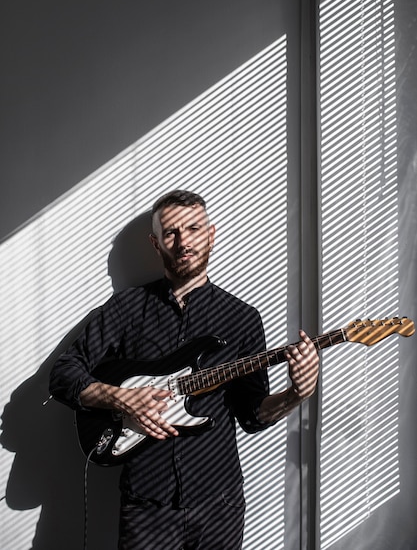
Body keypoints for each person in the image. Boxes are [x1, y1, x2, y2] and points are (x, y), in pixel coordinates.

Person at [49, 190, 319, 549]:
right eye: (171, 232)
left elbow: (252, 416)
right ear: (156, 242)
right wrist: (120, 399)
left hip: (218, 504)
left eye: (193, 228)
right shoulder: (127, 308)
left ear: (211, 233)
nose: (183, 241)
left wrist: (296, 393)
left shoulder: (242, 319)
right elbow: (63, 373)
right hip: (147, 504)